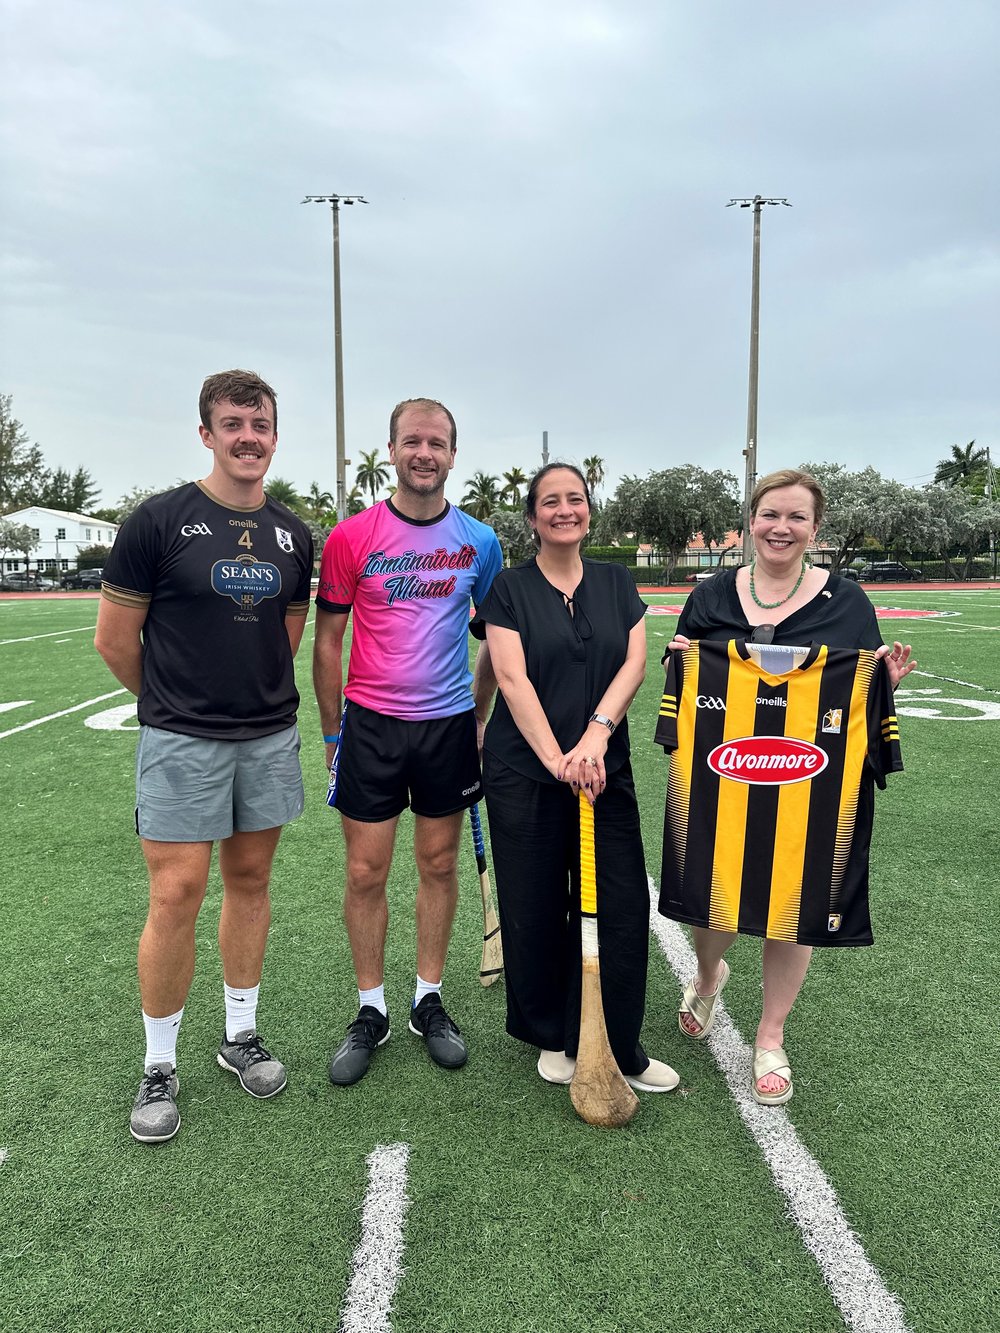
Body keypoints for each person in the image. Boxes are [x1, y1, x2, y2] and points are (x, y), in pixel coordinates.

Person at [95, 369, 314, 1143]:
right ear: (207, 433)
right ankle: (159, 1062)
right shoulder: (157, 520)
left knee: (250, 880)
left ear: (275, 436)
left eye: (259, 424)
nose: (247, 436)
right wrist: (172, 704)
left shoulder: (295, 534)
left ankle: (240, 1035)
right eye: (232, 423)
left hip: (266, 734)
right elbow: (116, 642)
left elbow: (283, 640)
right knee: (178, 891)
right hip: (182, 738)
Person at [659, 468, 914, 1105]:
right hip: (720, 784)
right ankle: (710, 973)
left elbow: (860, 694)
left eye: (796, 517)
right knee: (712, 900)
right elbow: (681, 681)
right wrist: (680, 666)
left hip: (811, 788)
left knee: (794, 908)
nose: (782, 527)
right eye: (771, 514)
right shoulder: (711, 595)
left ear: (814, 528)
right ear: (752, 520)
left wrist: (886, 685)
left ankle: (771, 1034)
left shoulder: (849, 603)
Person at [313, 397, 503, 1086]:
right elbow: (328, 641)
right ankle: (372, 1009)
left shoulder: (480, 541)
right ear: (392, 449)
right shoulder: (352, 537)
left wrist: (478, 716)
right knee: (365, 872)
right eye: (413, 441)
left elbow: (496, 639)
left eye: (439, 443)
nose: (425, 453)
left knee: (438, 863)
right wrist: (332, 731)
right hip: (370, 725)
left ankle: (428, 999)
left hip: (448, 724)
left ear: (453, 454)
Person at [474, 463, 679, 1094]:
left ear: (590, 511)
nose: (565, 509)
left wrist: (594, 738)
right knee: (535, 904)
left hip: (602, 770)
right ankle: (552, 1034)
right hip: (525, 772)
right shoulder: (509, 587)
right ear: (533, 517)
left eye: (577, 499)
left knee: (619, 904)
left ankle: (618, 1043)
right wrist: (555, 759)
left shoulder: (619, 583)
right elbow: (511, 676)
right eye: (550, 502)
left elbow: (635, 664)